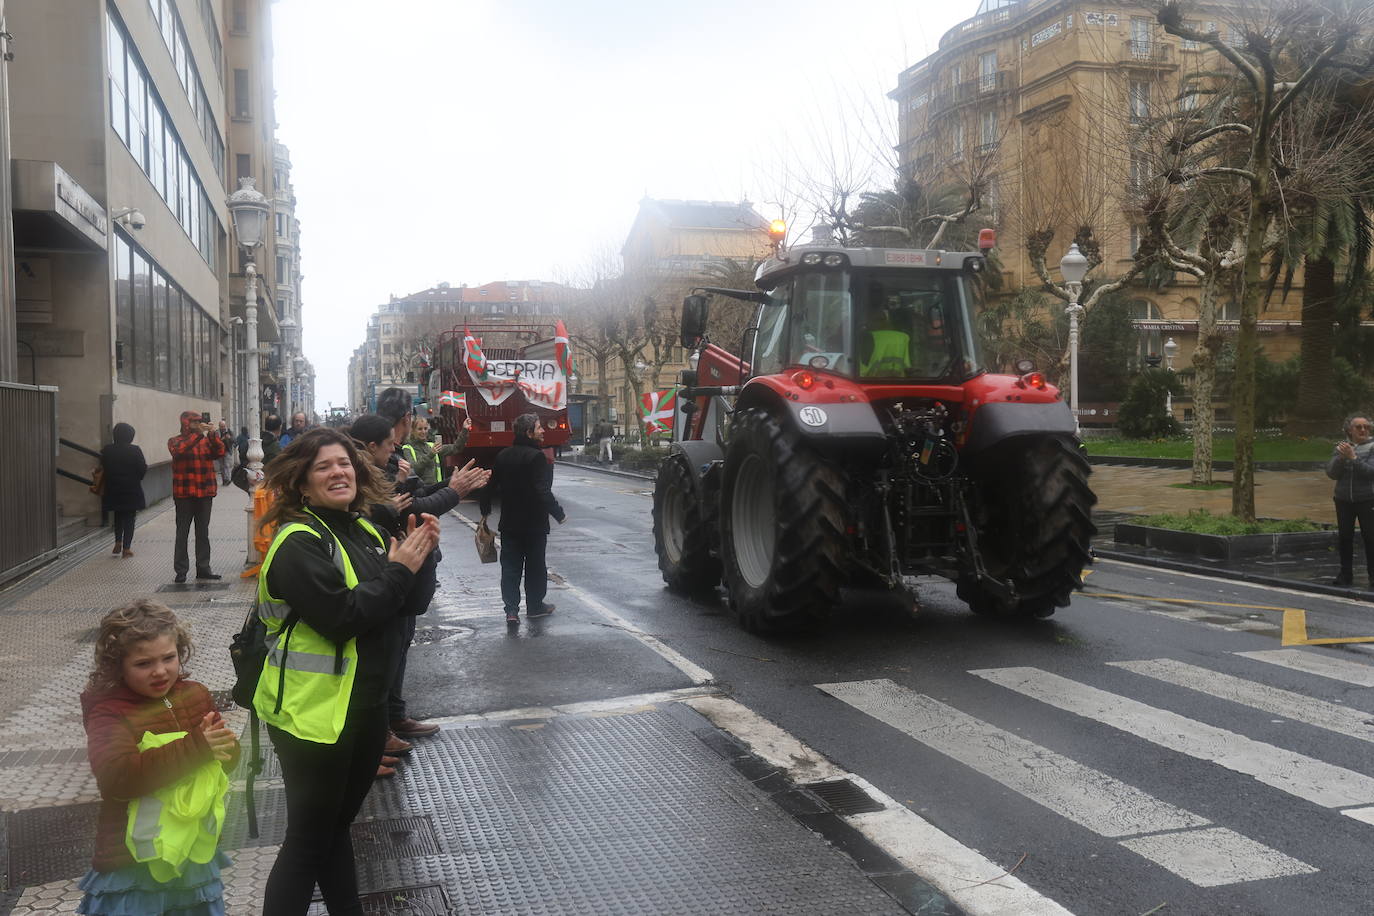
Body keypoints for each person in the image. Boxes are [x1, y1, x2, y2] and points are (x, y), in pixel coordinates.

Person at [252, 427, 443, 914]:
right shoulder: (298, 542)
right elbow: (342, 617)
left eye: (344, 464)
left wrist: (423, 555)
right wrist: (400, 570)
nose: (338, 472)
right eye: (323, 466)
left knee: (335, 830)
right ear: (302, 483)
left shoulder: (362, 529)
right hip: (313, 717)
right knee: (308, 841)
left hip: (365, 708)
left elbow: (404, 605)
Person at [77, 599, 239, 916]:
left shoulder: (196, 694)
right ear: (118, 665)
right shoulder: (110, 712)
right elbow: (118, 778)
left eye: (169, 658)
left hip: (190, 852)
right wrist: (198, 748)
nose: (160, 671)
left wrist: (227, 750)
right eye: (143, 664)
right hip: (134, 863)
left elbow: (222, 763)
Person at [348, 414, 488, 767]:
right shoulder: (365, 480)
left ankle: (391, 720)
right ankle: (369, 742)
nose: (397, 445)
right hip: (384, 573)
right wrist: (454, 492)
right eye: (390, 441)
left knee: (398, 648)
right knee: (381, 659)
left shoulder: (387, 469)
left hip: (402, 575)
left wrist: (447, 487)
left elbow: (413, 497)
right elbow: (409, 508)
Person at [479, 412, 566, 624]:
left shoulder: (503, 455)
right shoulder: (537, 457)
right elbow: (541, 489)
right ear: (529, 433)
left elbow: (490, 485)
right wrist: (558, 513)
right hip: (534, 524)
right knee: (535, 567)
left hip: (509, 524)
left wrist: (485, 509)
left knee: (510, 568)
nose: (543, 431)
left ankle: (511, 610)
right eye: (539, 428)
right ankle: (535, 606)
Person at [168, 411, 227, 584]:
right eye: (195, 422)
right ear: (186, 423)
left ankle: (203, 568)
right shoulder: (175, 441)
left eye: (200, 422)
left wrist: (212, 434)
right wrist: (197, 435)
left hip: (204, 493)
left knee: (203, 532)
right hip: (184, 494)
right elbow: (179, 451)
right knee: (182, 533)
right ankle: (181, 571)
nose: (198, 424)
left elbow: (220, 452)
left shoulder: (206, 440)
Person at [1326, 413, 1374, 587]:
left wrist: (1353, 458)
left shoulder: (1372, 447)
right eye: (1358, 427)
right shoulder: (1341, 447)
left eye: (1366, 427)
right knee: (1345, 538)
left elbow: (1370, 472)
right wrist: (1341, 457)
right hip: (1343, 499)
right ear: (1349, 430)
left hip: (1368, 499)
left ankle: (1373, 576)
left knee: (1371, 538)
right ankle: (1345, 575)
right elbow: (1331, 473)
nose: (1363, 430)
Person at [100, 422, 147, 558]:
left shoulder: (107, 450)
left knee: (118, 516)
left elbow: (104, 467)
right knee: (130, 518)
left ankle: (117, 541)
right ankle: (127, 548)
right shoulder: (135, 450)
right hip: (131, 488)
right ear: (130, 436)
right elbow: (142, 469)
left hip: (113, 487)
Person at [215, 420, 233, 485]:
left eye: (224, 426)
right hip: (220, 451)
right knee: (222, 466)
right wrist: (221, 439)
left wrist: (230, 438)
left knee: (227, 465)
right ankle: (224, 480)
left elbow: (234, 440)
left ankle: (228, 479)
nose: (223, 428)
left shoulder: (229, 431)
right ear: (219, 426)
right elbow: (215, 442)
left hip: (227, 450)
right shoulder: (217, 432)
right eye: (221, 426)